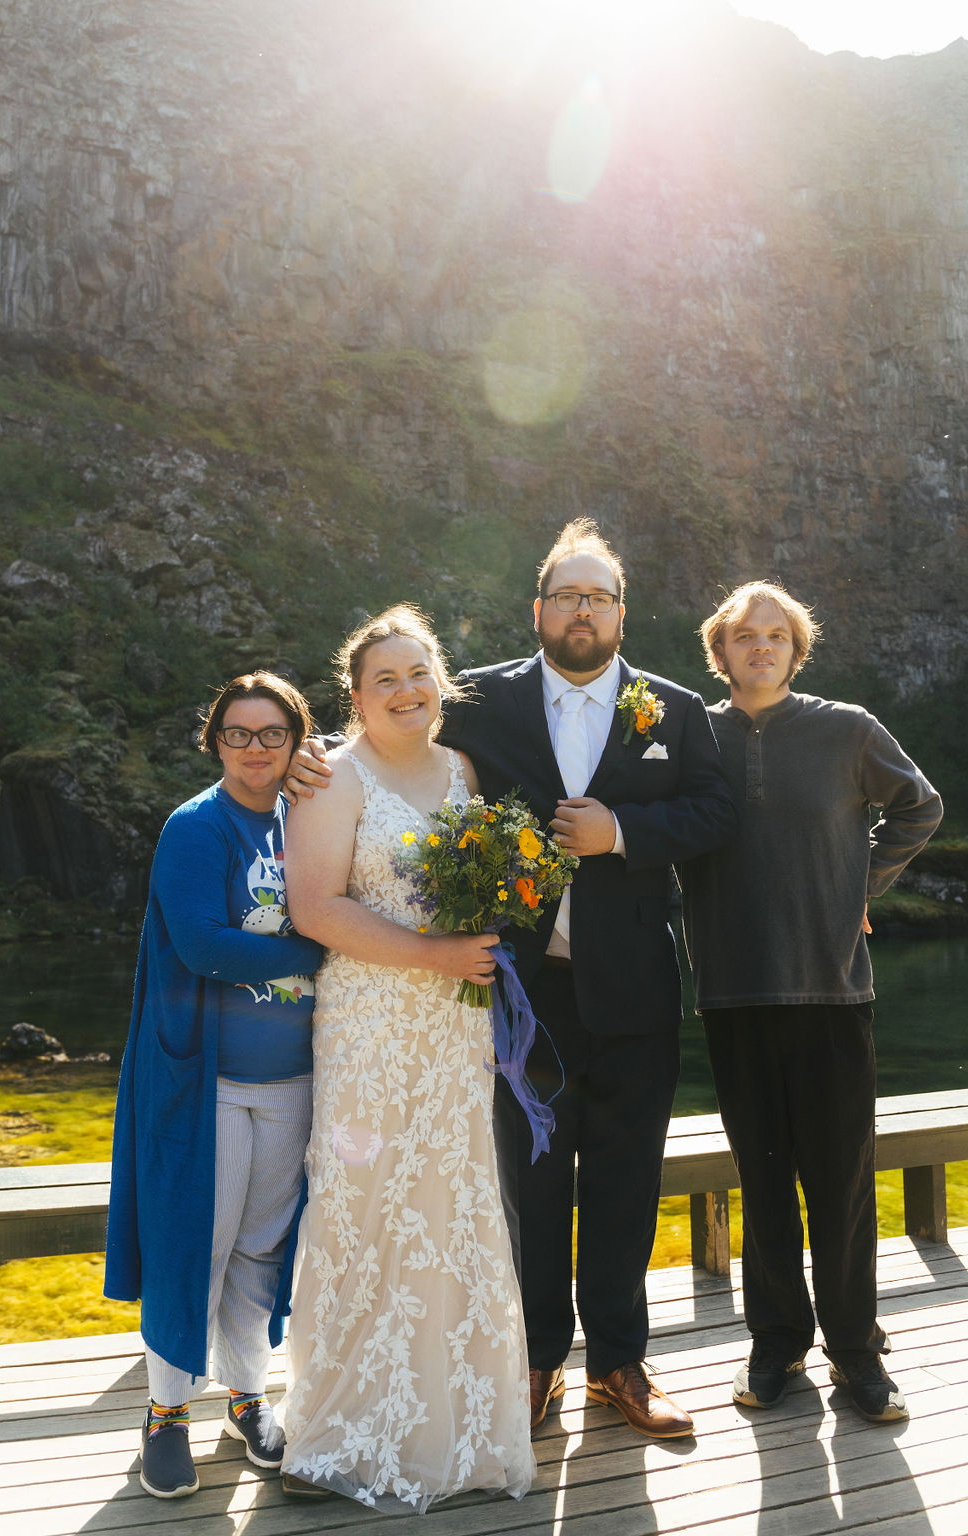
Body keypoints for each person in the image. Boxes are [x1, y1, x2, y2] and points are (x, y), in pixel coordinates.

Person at [288, 521, 736, 1439]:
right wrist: (313, 756)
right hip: (517, 991)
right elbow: (394, 733)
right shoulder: (483, 699)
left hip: (636, 987)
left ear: (621, 612)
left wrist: (624, 833)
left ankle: (620, 1362)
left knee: (626, 1177)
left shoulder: (675, 707)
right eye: (567, 596)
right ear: (539, 610)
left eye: (598, 596)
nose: (582, 610)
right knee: (530, 1181)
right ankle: (535, 1361)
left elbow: (716, 811)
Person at [275, 604, 534, 1512]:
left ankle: (452, 1428)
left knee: (448, 1199)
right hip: (373, 1027)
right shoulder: (331, 778)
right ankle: (336, 1430)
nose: (405, 689)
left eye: (418, 672)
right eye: (383, 678)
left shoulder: (464, 771)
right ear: (354, 696)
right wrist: (434, 955)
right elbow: (316, 908)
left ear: (442, 683)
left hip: (454, 1026)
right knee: (363, 1202)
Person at [677, 581, 943, 1424]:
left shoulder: (848, 729)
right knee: (763, 1182)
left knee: (841, 1183)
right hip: (732, 990)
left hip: (831, 988)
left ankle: (856, 1352)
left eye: (777, 635)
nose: (761, 647)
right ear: (720, 651)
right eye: (744, 635)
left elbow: (920, 806)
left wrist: (859, 883)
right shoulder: (691, 737)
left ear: (797, 649)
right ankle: (776, 1344)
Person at [104, 672, 325, 1500]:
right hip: (210, 1081)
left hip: (294, 1077)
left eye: (273, 733)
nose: (256, 747)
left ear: (297, 741)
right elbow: (203, 946)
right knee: (196, 1242)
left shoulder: (308, 816)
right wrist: (321, 946)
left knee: (263, 1245)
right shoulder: (197, 826)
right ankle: (166, 1412)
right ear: (216, 740)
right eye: (238, 732)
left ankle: (246, 1396)